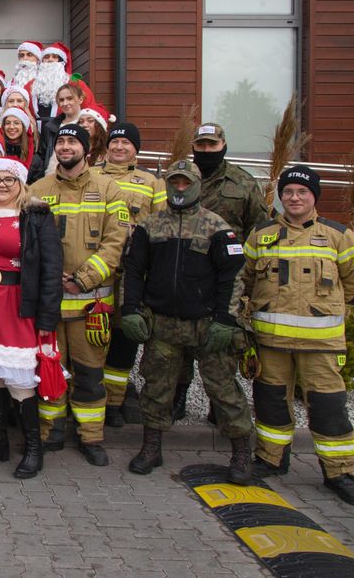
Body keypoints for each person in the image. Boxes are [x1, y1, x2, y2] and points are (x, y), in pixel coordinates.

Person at [243, 166, 354, 505]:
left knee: (329, 407)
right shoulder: (261, 234)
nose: (294, 198)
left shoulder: (337, 236)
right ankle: (270, 459)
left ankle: (340, 472)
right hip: (271, 342)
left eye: (302, 192)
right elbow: (246, 280)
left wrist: (332, 311)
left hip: (321, 345)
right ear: (280, 196)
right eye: (288, 192)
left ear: (314, 196)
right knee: (270, 403)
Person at [120, 160, 253, 484]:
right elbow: (134, 272)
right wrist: (130, 309)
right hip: (163, 324)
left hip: (208, 325)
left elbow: (232, 276)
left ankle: (241, 454)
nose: (179, 188)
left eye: (185, 183)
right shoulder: (150, 227)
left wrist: (226, 318)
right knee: (157, 388)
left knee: (223, 390)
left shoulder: (218, 228)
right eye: (174, 183)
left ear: (196, 185)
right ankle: (152, 447)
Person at [29, 124, 129, 465]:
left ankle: (91, 438)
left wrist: (84, 278)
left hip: (91, 304)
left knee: (89, 374)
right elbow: (28, 243)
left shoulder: (108, 189)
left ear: (86, 149)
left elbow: (117, 240)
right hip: (51, 304)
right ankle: (50, 432)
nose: (66, 146)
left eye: (73, 141)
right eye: (61, 142)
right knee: (48, 370)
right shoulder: (38, 190)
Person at [0, 156, 62, 478]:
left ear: (21, 183)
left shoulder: (36, 216)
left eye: (9, 179)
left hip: (17, 303)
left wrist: (46, 319)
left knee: (20, 380)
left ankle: (34, 448)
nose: (1, 185)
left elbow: (50, 270)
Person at [173, 122, 270, 420]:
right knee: (181, 341)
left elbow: (259, 228)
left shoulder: (243, 183)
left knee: (222, 344)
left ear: (223, 146)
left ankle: (219, 403)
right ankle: (178, 398)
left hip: (225, 277)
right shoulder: (181, 179)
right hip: (185, 272)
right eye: (200, 146)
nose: (205, 151)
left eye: (211, 145)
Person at [95, 122, 165, 427]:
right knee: (94, 334)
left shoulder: (152, 182)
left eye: (126, 142)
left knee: (124, 338)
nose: (119, 147)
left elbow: (161, 226)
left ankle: (114, 401)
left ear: (135, 148)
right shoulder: (92, 175)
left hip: (132, 272)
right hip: (98, 268)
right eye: (115, 142)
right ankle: (90, 397)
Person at [37, 82, 85, 177]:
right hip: (53, 180)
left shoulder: (88, 125)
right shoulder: (50, 127)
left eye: (70, 98)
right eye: (61, 100)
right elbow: (43, 156)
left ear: (80, 99)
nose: (65, 103)